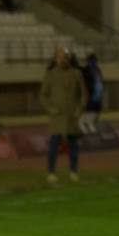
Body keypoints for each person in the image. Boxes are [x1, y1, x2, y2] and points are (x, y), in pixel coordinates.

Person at [39, 47, 86, 184]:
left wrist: (80, 109)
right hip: (57, 117)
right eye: (59, 57)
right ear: (55, 59)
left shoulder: (77, 74)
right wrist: (50, 109)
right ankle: (51, 172)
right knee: (54, 145)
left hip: (72, 116)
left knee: (73, 145)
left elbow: (83, 94)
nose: (62, 60)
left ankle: (73, 171)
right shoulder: (50, 75)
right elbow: (43, 95)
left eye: (65, 57)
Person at [80, 53, 105, 134]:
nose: (94, 62)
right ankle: (82, 123)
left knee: (96, 110)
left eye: (95, 60)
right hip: (91, 92)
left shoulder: (98, 69)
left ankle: (91, 123)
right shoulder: (85, 70)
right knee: (89, 110)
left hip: (98, 93)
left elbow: (100, 79)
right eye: (92, 61)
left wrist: (101, 89)